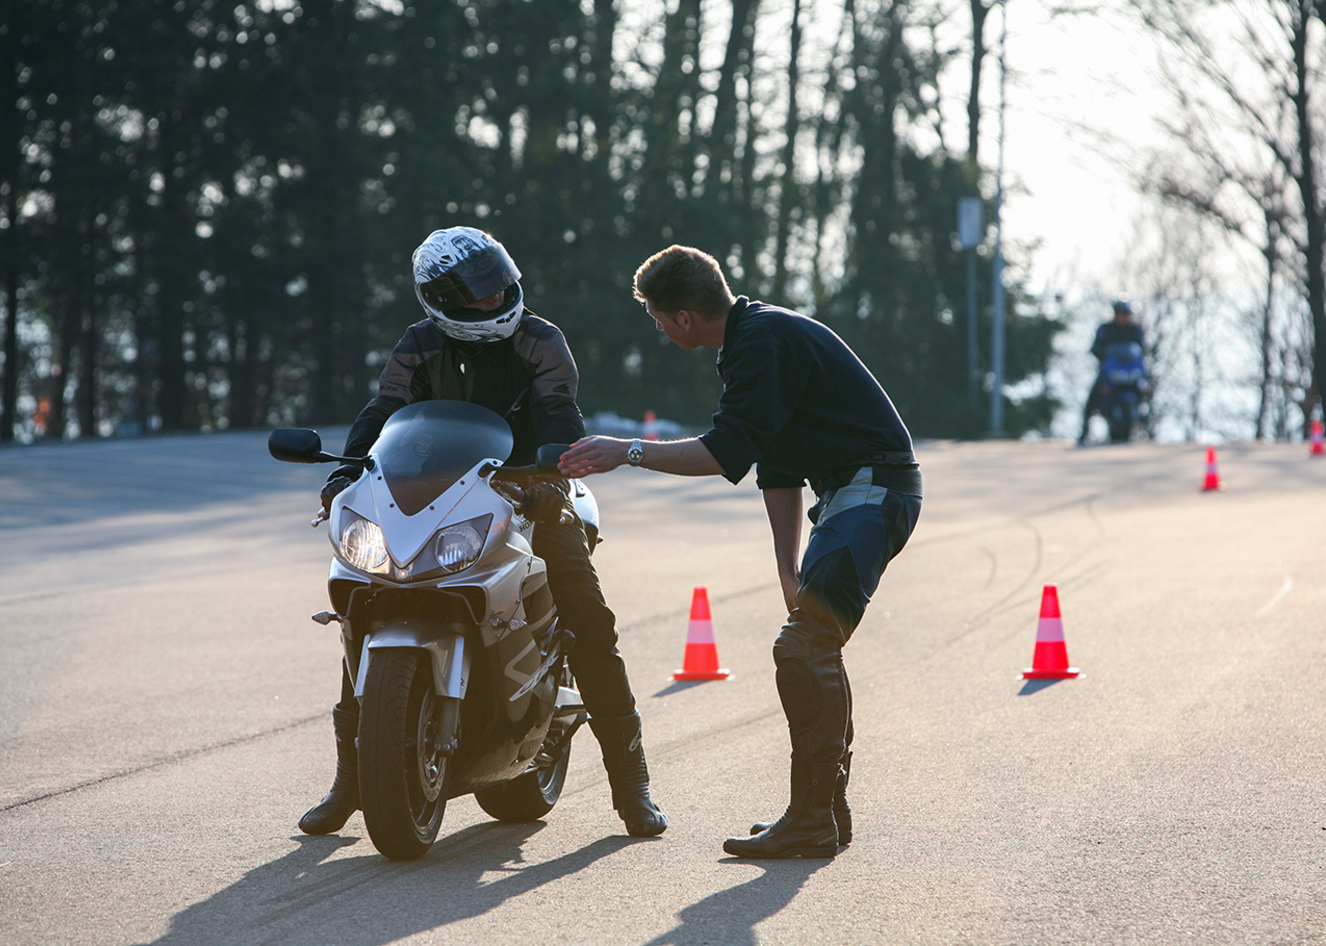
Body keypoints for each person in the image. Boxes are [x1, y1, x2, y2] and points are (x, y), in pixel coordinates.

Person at [298, 227, 666, 839]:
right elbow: (383, 409)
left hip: (530, 492)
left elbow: (560, 413)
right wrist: (344, 472)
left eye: (498, 284)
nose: (493, 299)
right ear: (438, 301)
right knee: (369, 600)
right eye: (477, 294)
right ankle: (351, 781)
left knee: (590, 623)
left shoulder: (541, 340)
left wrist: (553, 474)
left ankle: (632, 784)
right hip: (436, 498)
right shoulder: (418, 344)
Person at [558, 245, 921, 859]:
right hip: (851, 495)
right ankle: (825, 814)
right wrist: (787, 569)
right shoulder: (752, 340)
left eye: (655, 316)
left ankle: (812, 819)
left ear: (683, 317)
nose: (657, 327)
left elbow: (724, 453)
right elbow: (775, 466)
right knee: (814, 640)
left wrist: (629, 449)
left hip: (873, 490)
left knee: (804, 645)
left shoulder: (762, 341)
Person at [1078, 299, 1146, 444]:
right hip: (1110, 371)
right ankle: (1084, 434)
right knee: (1093, 399)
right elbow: (1095, 347)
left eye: (1126, 313)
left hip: (1131, 370)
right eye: (1121, 313)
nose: (1124, 316)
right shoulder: (1106, 329)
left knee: (1145, 389)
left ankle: (1146, 428)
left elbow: (1142, 349)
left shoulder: (1135, 329)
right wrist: (1103, 355)